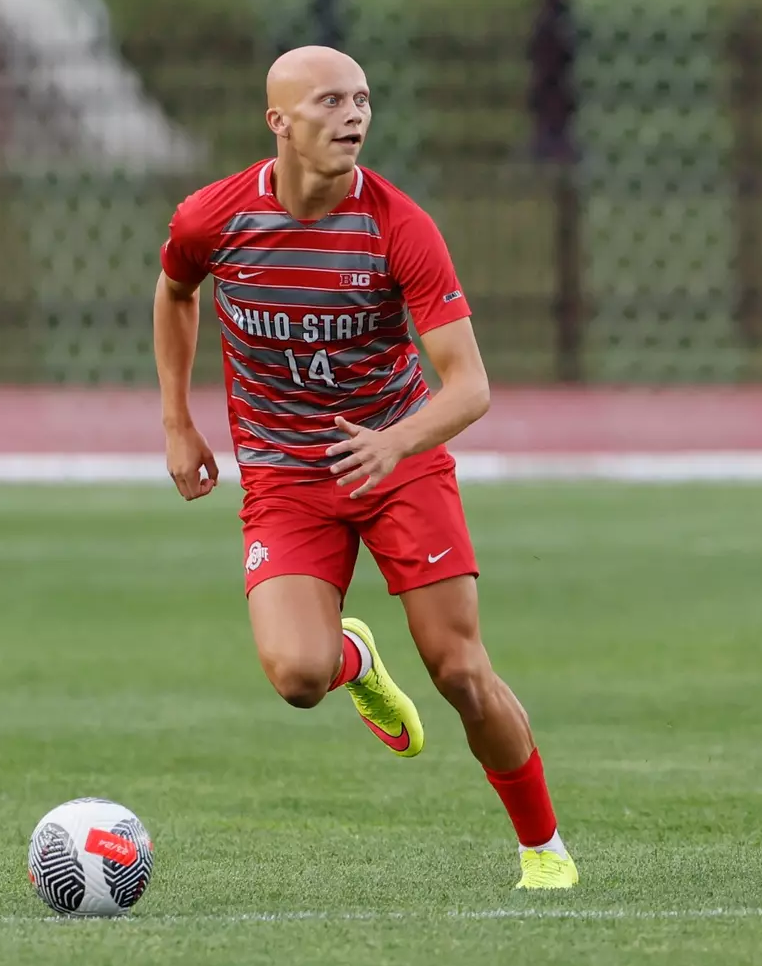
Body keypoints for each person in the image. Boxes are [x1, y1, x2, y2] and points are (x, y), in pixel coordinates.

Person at [152, 46, 576, 890]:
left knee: (459, 671)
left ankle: (544, 850)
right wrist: (177, 422)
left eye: (363, 100)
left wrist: (396, 442)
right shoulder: (215, 217)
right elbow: (175, 291)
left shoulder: (398, 226)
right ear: (278, 121)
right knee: (298, 678)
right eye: (330, 101)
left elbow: (471, 386)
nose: (353, 116)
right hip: (284, 474)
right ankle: (353, 660)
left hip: (398, 463)